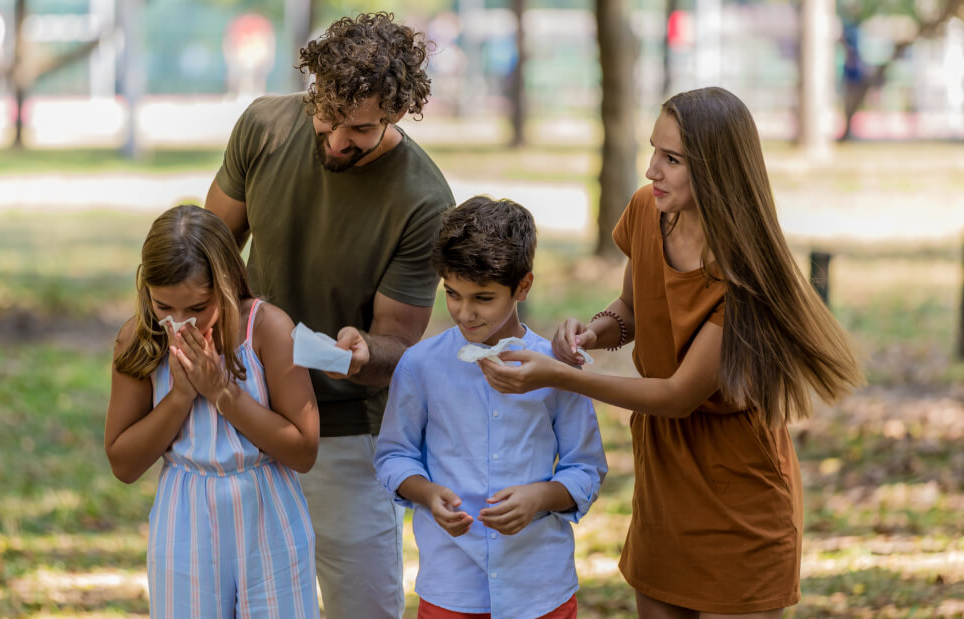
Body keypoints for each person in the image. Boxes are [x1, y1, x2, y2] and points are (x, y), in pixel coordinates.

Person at [479, 88, 863, 617]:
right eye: (654, 150)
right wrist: (592, 333)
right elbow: (632, 312)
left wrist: (556, 376)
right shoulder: (646, 209)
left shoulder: (742, 276)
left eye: (672, 159)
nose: (652, 169)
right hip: (663, 473)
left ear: (716, 169)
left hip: (739, 490)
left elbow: (680, 394)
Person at [204, 11, 456, 618]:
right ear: (314, 90)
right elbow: (208, 254)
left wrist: (366, 353)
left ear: (397, 111)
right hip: (246, 412)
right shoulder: (264, 126)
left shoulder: (423, 200)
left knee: (362, 608)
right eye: (329, 119)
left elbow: (396, 343)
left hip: (347, 437)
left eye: (362, 129)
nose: (339, 140)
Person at [375, 196, 608, 619]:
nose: (465, 313)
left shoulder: (559, 369)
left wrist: (540, 497)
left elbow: (587, 467)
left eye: (483, 298)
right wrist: (426, 493)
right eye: (453, 294)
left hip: (540, 588)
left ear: (523, 286)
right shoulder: (420, 365)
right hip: (450, 586)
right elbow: (394, 455)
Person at [104, 205, 320, 618]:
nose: (181, 324)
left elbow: (304, 451)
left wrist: (222, 392)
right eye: (164, 305)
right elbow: (123, 463)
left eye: (198, 307)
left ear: (226, 283)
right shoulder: (139, 339)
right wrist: (180, 397)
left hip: (268, 511)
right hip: (186, 516)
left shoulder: (268, 329)